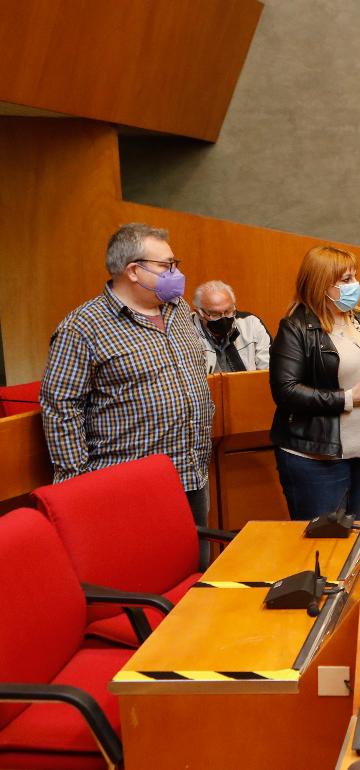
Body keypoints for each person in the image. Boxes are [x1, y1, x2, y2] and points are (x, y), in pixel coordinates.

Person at [41, 222, 214, 554]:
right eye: (167, 266)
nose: (176, 273)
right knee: (149, 583)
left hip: (192, 476)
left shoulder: (178, 311)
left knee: (197, 581)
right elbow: (61, 408)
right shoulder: (82, 327)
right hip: (129, 489)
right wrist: (82, 486)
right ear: (134, 271)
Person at [269, 245, 360, 520]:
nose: (355, 285)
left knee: (357, 535)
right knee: (322, 545)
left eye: (354, 276)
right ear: (321, 285)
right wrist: (349, 398)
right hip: (318, 456)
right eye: (345, 280)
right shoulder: (295, 328)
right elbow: (286, 391)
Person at [192, 279, 271, 373]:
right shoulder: (188, 333)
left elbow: (268, 372)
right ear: (199, 313)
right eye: (215, 314)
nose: (223, 318)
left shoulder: (251, 324)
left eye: (228, 311)